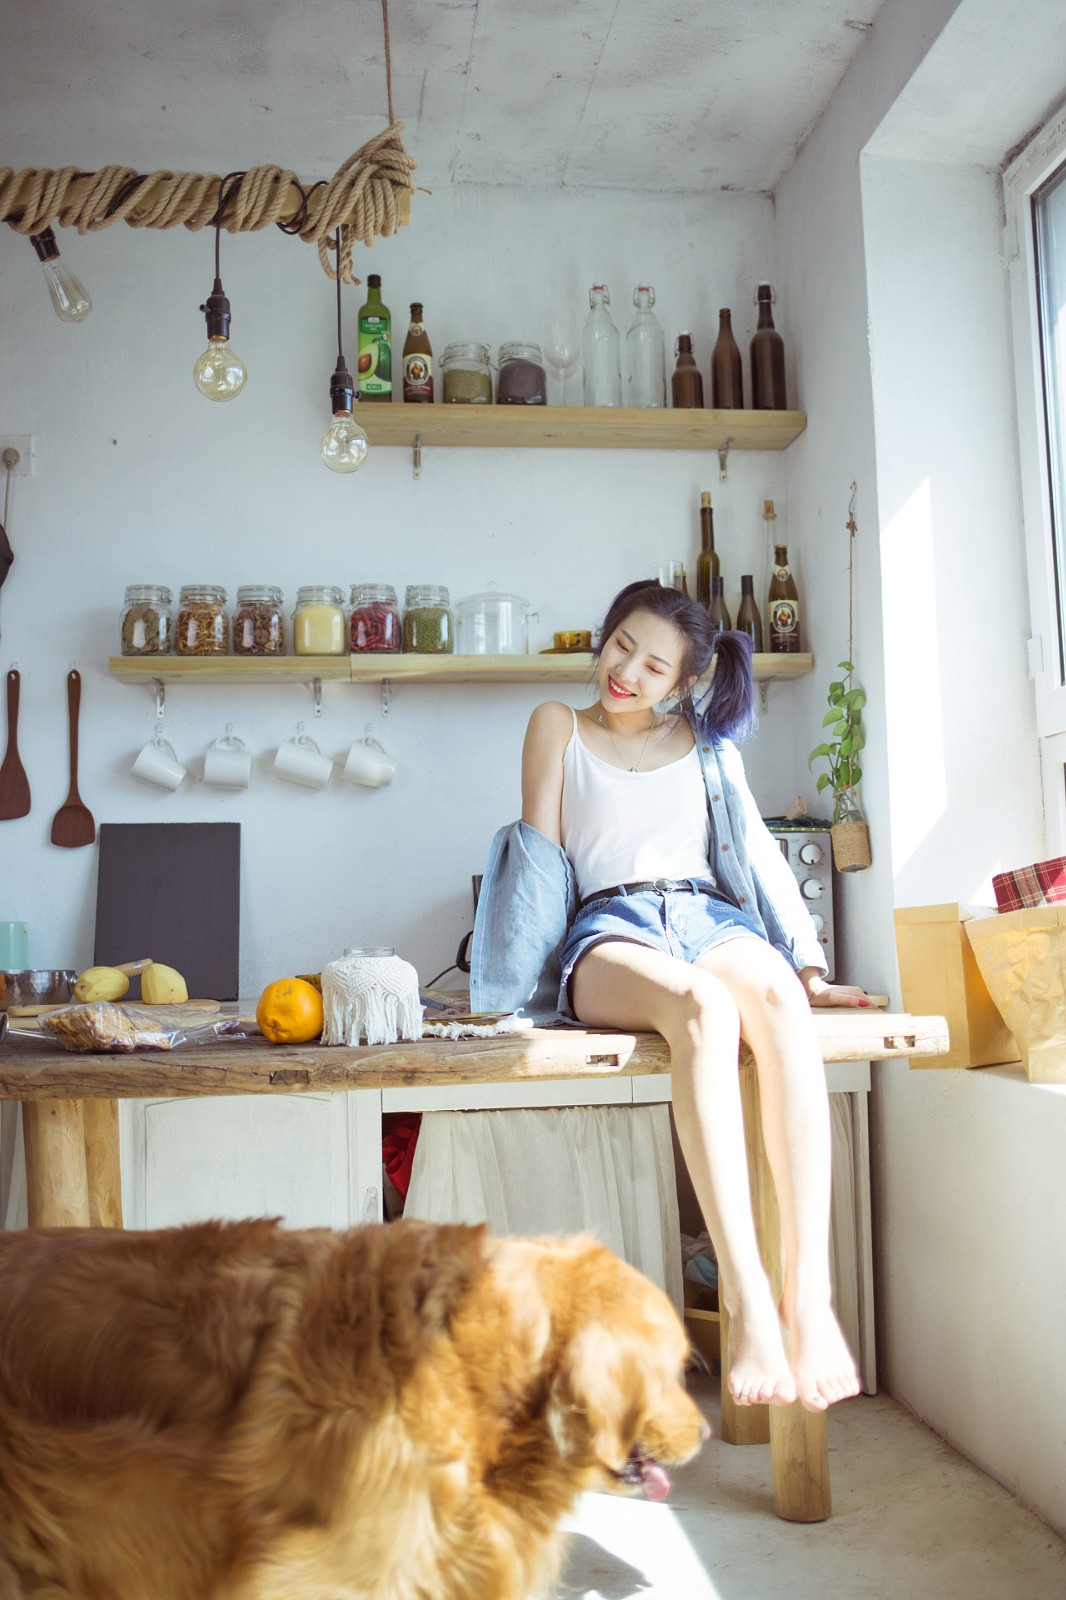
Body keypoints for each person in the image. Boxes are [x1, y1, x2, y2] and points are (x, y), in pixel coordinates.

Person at [516, 579, 867, 1412]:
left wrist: (808, 968)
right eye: (622, 646)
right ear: (604, 636)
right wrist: (515, 990)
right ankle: (746, 1296)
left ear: (685, 681)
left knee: (777, 1004)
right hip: (611, 926)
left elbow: (762, 857)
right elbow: (537, 862)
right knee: (703, 1010)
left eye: (654, 665)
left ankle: (809, 1297)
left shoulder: (710, 746)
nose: (627, 672)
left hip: (707, 915)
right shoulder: (557, 725)